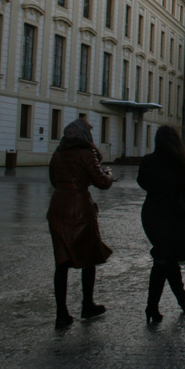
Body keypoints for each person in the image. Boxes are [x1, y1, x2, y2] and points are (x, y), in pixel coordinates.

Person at [47, 118, 114, 329]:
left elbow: (53, 180)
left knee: (61, 262)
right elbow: (101, 182)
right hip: (79, 208)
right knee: (89, 257)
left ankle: (62, 313)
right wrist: (109, 174)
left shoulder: (57, 154)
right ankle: (87, 304)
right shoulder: (87, 153)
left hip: (58, 206)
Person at [137, 125, 185, 324]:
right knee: (164, 259)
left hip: (152, 214)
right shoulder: (180, 161)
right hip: (174, 214)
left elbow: (142, 182)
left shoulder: (148, 160)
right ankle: (152, 306)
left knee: (166, 257)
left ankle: (180, 300)